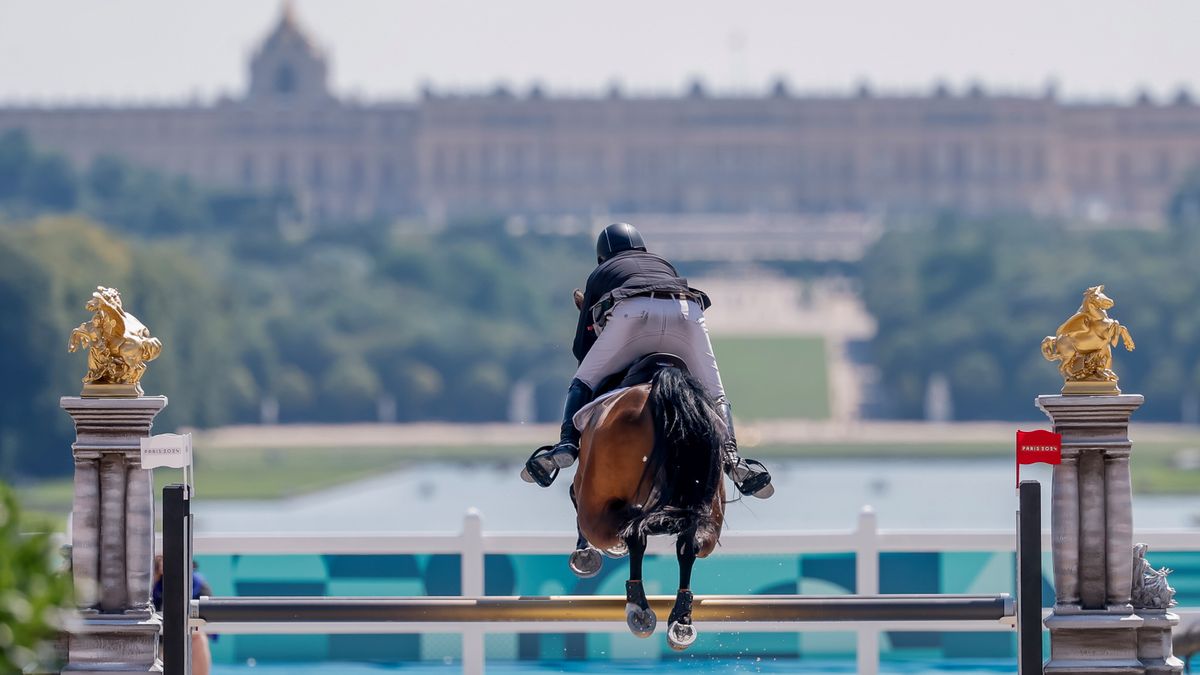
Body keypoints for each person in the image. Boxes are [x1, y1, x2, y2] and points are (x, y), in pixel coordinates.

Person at [521, 222, 773, 498]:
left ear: (602, 256)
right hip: (685, 312)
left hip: (633, 314)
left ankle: (566, 445)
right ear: (641, 248)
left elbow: (584, 344)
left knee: (582, 379)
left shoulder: (600, 274)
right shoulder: (662, 263)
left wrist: (594, 371)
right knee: (716, 394)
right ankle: (731, 457)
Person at [153, 554, 213, 675]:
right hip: (158, 638)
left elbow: (209, 616)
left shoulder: (196, 583)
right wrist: (154, 579)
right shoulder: (154, 584)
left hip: (188, 635)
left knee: (199, 638)